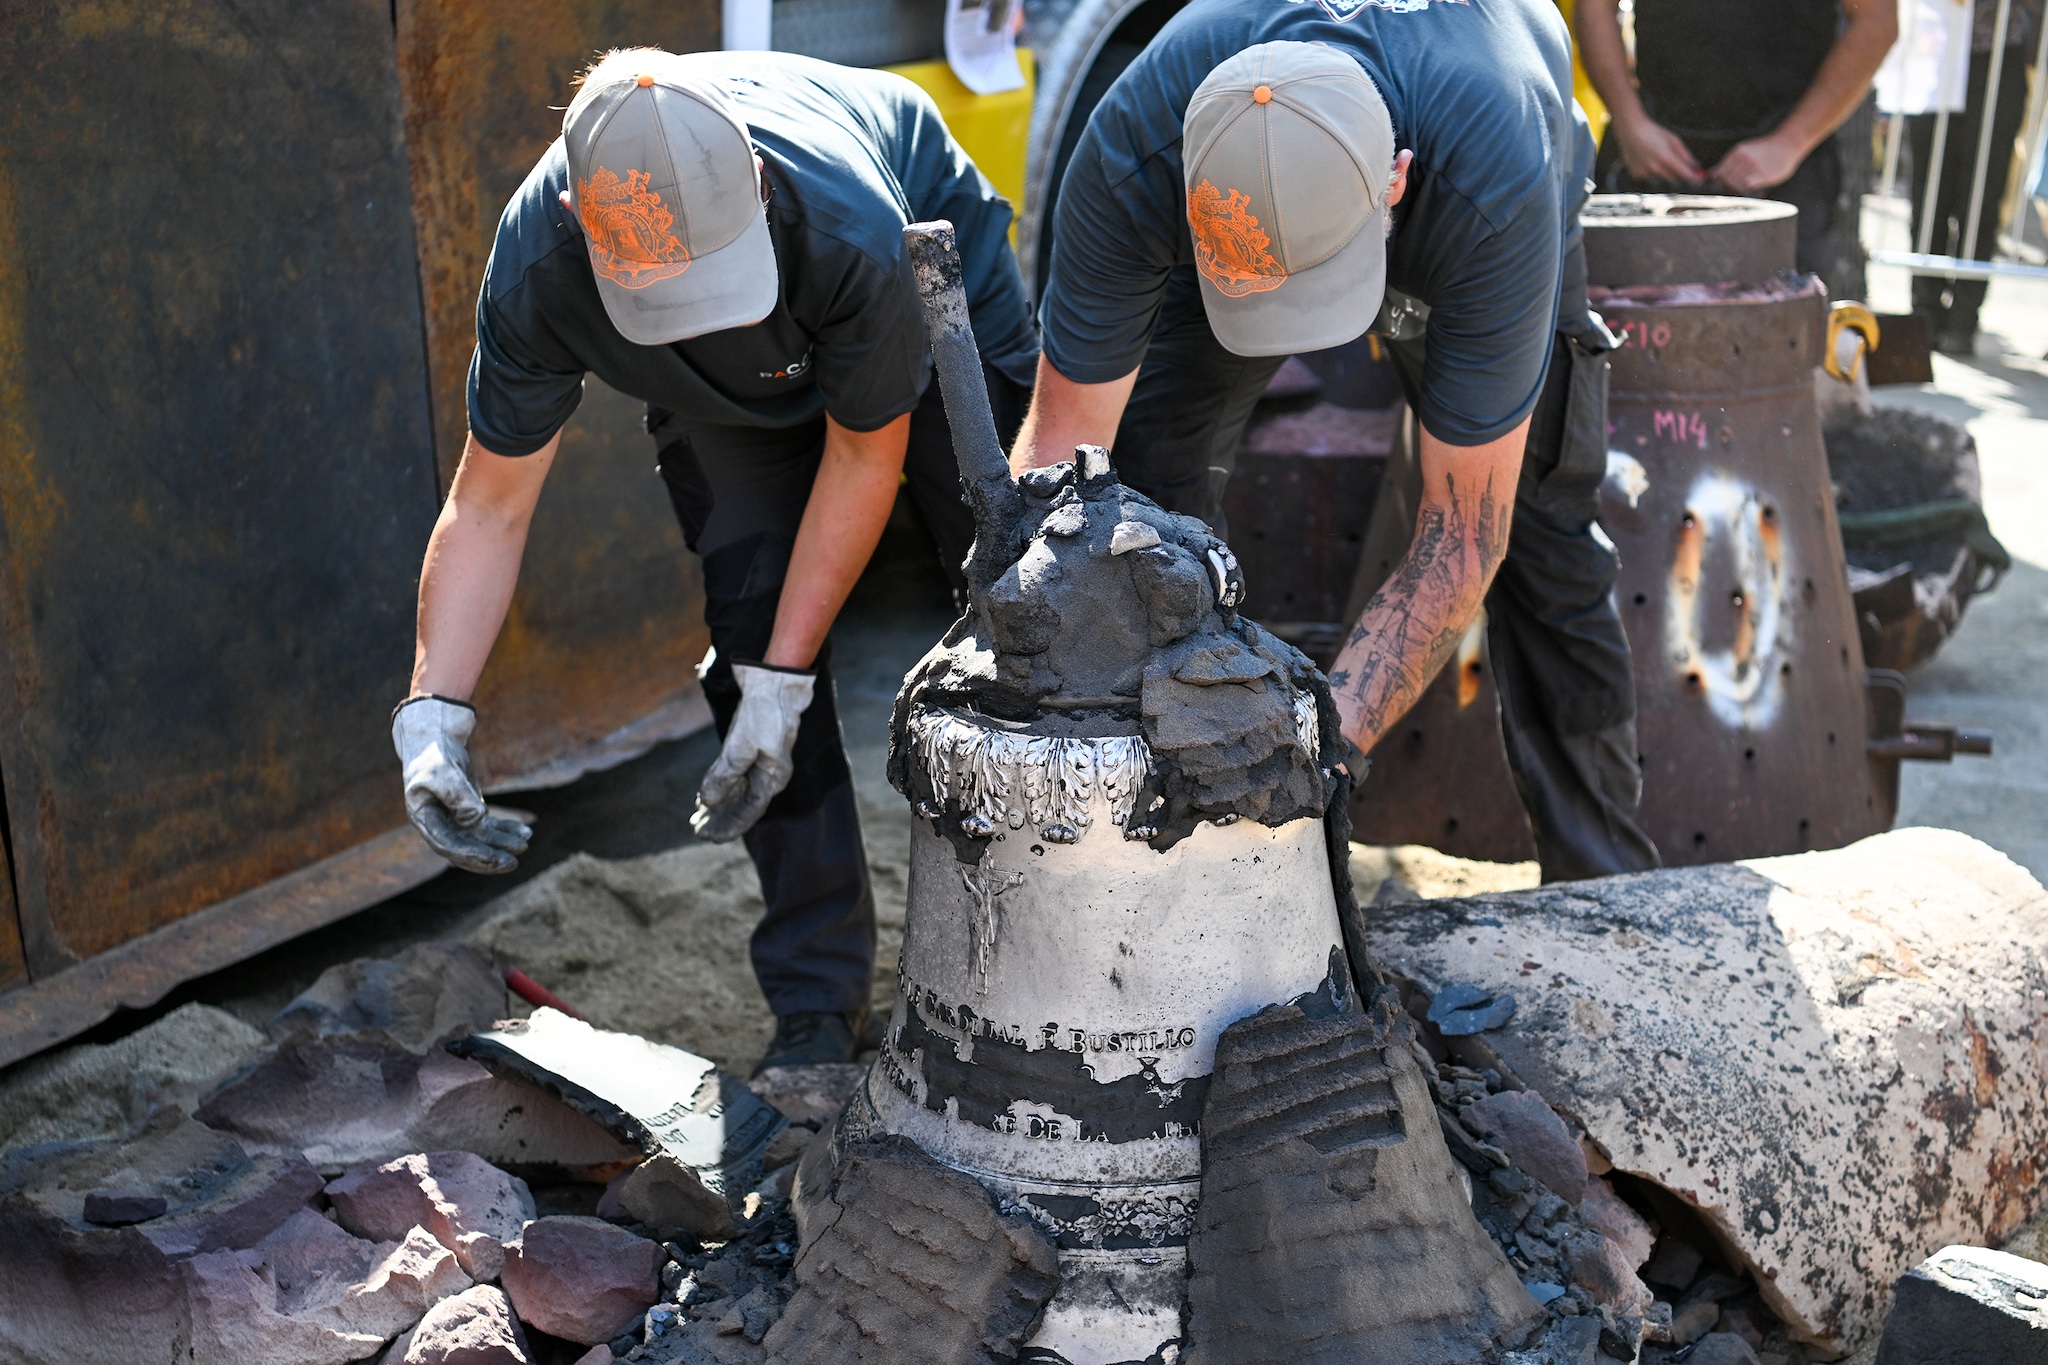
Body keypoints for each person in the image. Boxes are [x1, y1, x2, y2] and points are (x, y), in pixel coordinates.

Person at [389, 47, 1037, 1072]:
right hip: (732, 380)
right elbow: (489, 505)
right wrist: (435, 717)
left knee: (1020, 593)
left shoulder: (853, 228)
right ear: (576, 222)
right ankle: (818, 1004)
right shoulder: (537, 266)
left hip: (898, 266)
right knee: (749, 634)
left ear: (760, 180)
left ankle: (1046, 948)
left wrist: (788, 678)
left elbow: (864, 458)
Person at [1022, 0, 1660, 881]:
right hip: (1249, 206)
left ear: (1394, 179)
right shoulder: (1135, 145)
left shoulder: (1494, 181)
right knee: (1141, 491)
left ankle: (1601, 883)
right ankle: (1144, 849)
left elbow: (1463, 538)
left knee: (1542, 523)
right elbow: (1062, 456)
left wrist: (1318, 750)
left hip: (1484, 171)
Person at [1576, 0, 1898, 298]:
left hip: (1787, 168)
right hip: (1653, 159)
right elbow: (1594, 6)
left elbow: (1877, 20)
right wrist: (1631, 123)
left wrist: (1790, 142)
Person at [1906, 0, 2044, 354]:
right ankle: (1923, 315)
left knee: (1982, 195)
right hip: (1933, 54)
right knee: (1928, 194)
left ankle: (1964, 320)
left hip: (1997, 61)